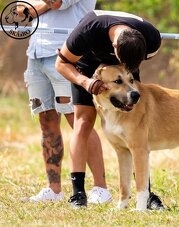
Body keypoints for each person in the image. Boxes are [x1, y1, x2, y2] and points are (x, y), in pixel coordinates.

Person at [55, 10, 165, 209]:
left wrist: (128, 73)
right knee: (84, 120)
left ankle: (145, 194)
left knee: (135, 130)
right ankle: (78, 194)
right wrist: (86, 82)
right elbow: (61, 63)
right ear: (114, 46)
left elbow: (130, 64)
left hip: (126, 67)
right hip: (86, 63)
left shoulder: (152, 38)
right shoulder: (87, 31)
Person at [20, 0, 112, 204]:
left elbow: (56, 2)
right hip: (36, 54)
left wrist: (37, 7)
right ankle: (54, 190)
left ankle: (101, 188)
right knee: (46, 121)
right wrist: (41, 6)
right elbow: (20, 10)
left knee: (79, 121)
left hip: (69, 56)